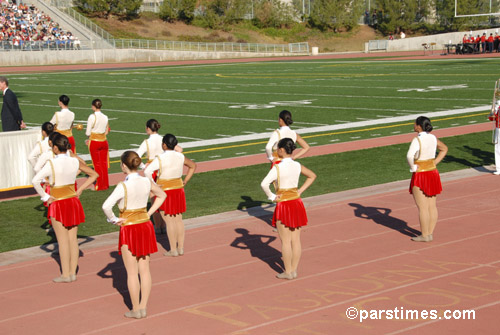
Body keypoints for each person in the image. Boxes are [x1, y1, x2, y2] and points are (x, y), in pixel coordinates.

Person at [102, 151, 166, 319]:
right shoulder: (146, 181)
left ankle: (136, 309)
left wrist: (114, 219)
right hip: (145, 226)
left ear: (124, 165)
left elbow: (106, 206)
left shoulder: (122, 186)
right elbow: (162, 195)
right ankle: (143, 307)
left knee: (132, 272)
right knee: (145, 270)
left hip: (129, 228)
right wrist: (149, 213)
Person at [32, 133, 98, 282]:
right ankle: (73, 272)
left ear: (55, 148)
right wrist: (80, 189)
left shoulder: (51, 163)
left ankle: (66, 274)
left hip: (58, 202)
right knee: (72, 239)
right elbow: (94, 174)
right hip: (73, 201)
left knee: (62, 241)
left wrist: (45, 197)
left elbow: (35, 180)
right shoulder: (74, 161)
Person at [261, 138, 316, 280]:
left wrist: (272, 197)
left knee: (285, 241)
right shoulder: (297, 165)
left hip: (284, 204)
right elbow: (312, 176)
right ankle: (294, 270)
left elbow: (264, 184)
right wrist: (300, 191)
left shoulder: (277, 167)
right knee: (296, 240)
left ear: (281, 150)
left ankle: (288, 271)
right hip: (297, 203)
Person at [145, 134, 196, 257]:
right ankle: (181, 248)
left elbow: (147, 171)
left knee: (169, 220)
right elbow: (193, 166)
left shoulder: (160, 158)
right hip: (178, 189)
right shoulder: (180, 156)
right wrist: (185, 180)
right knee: (178, 220)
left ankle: (173, 249)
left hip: (165, 190)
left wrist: (154, 185)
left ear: (164, 145)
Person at [406, 116, 448, 242]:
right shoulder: (433, 137)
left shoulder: (417, 139)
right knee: (432, 206)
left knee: (422, 207)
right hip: (433, 173)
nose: (413, 125)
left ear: (419, 126)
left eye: (415, 123)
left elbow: (409, 155)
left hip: (420, 174)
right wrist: (434, 162)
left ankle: (424, 235)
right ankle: (429, 233)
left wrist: (413, 167)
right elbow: (444, 149)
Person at [136, 119, 182, 233]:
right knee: (163, 197)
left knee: (153, 199)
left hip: (152, 171)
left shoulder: (147, 142)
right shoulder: (164, 139)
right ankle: (165, 225)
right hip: (163, 169)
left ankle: (158, 226)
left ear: (148, 128)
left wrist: (143, 167)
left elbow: (136, 156)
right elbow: (180, 149)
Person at [85, 99, 109, 191]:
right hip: (104, 141)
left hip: (95, 141)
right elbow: (106, 131)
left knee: (97, 164)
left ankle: (99, 185)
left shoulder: (92, 117)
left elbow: (87, 132)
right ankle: (105, 184)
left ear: (94, 106)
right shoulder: (105, 116)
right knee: (104, 163)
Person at [489, 101, 500, 175]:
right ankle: (499, 168)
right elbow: (491, 118)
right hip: (498, 128)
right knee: (497, 148)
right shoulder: (497, 106)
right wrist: (493, 110)